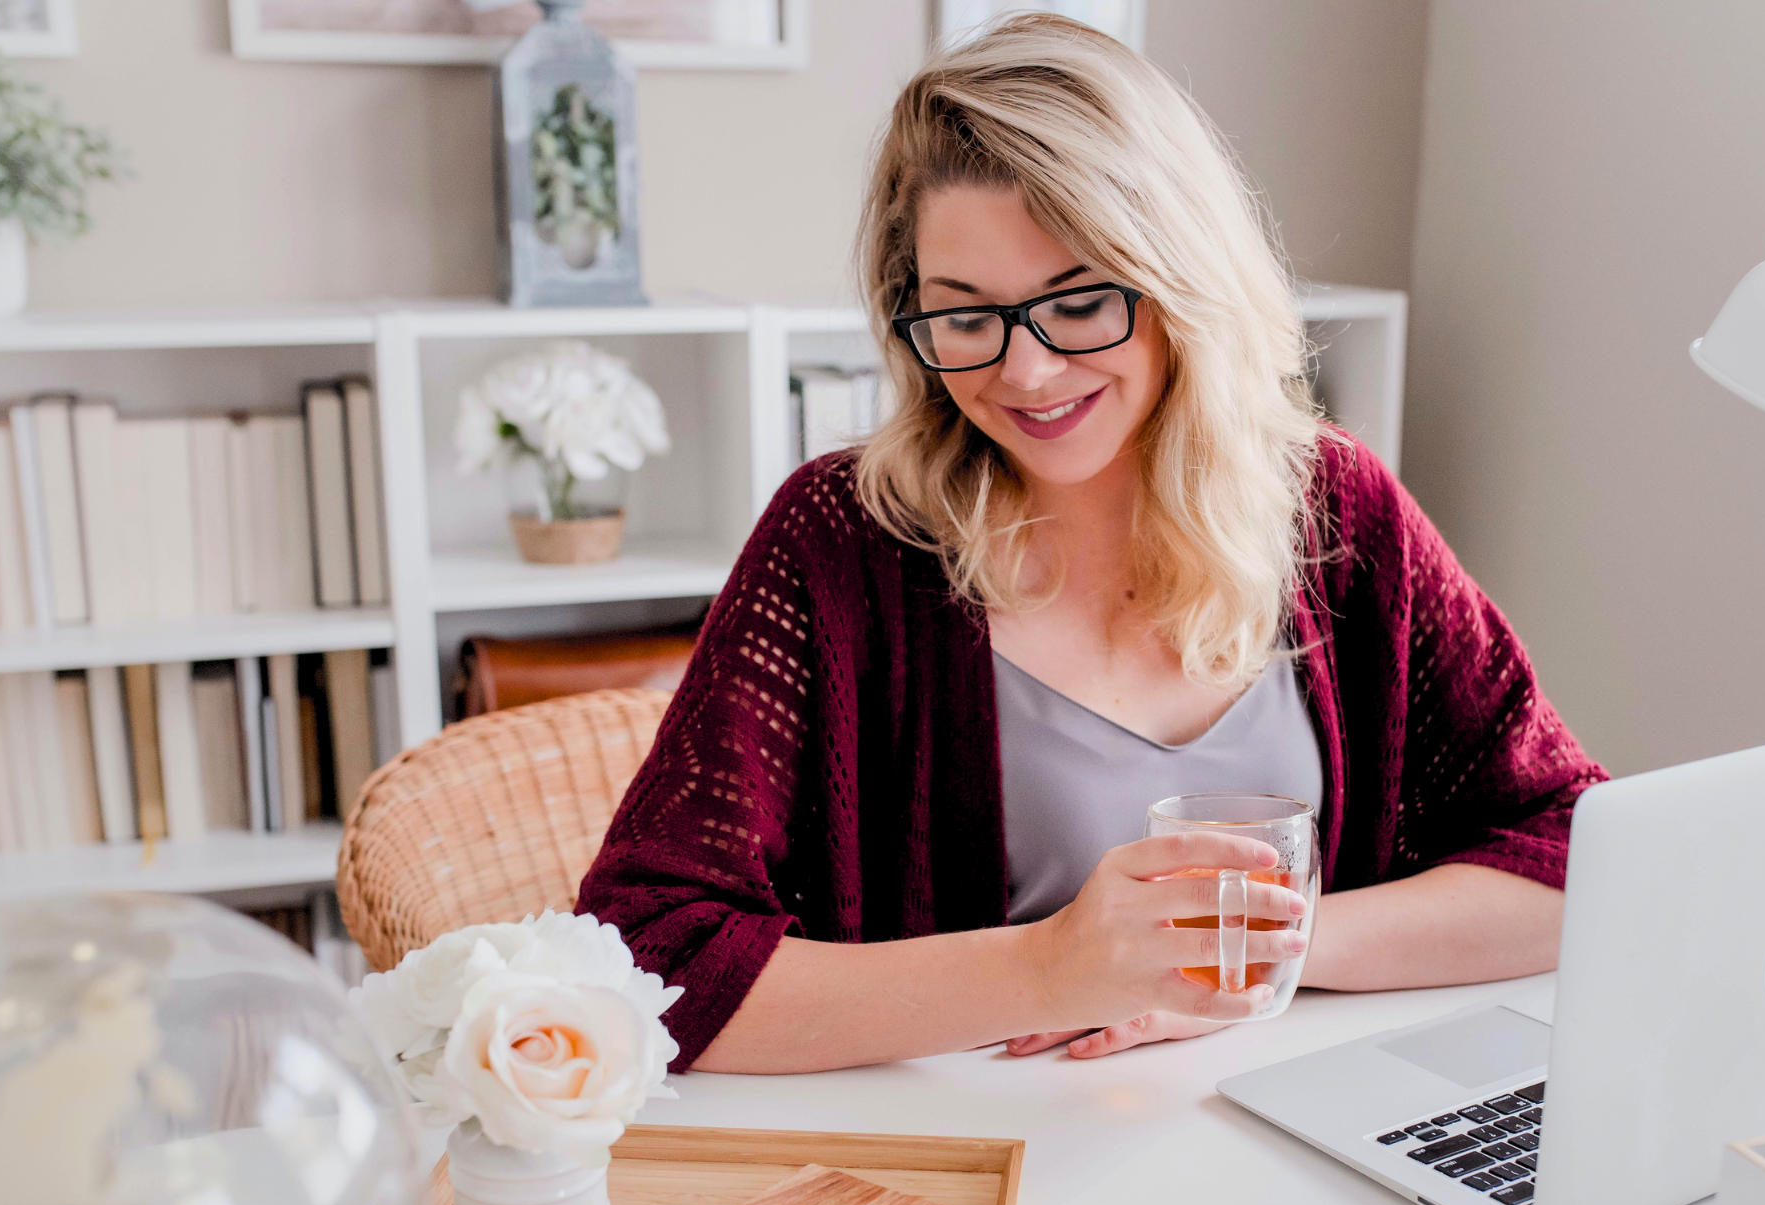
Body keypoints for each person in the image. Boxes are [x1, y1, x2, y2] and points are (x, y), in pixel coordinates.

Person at [574, 14, 1604, 1074]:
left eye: (1078, 301)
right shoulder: (841, 543)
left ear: (1179, 283)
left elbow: (1576, 853)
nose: (1024, 374)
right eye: (964, 315)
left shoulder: (1333, 510)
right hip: (981, 1173)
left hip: (1275, 1136)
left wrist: (1252, 956)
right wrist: (1051, 967)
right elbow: (641, 957)